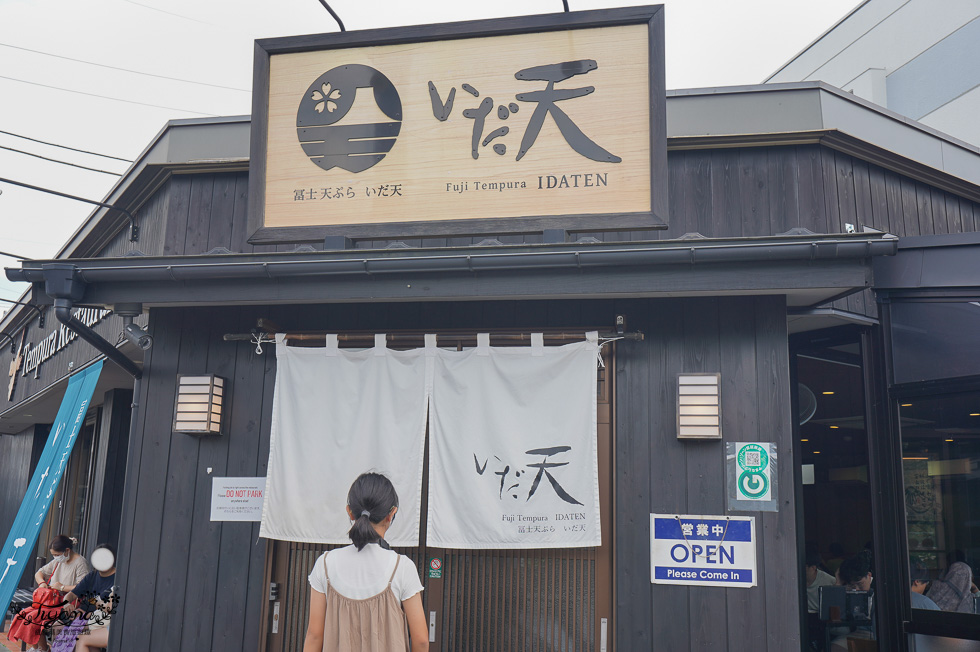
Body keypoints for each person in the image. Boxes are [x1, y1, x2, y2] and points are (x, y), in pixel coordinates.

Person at [303, 472, 428, 652]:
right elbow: (421, 640)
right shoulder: (402, 567)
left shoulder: (325, 564)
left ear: (350, 512)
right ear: (391, 514)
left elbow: (314, 635)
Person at [30, 535, 90, 652]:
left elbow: (83, 587)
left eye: (57, 555)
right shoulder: (58, 561)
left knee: (35, 618)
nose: (55, 557)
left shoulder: (80, 563)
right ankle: (41, 648)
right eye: (53, 555)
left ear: (67, 550)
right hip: (52, 601)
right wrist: (42, 583)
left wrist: (62, 587)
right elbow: (39, 573)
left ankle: (43, 649)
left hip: (68, 605)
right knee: (26, 616)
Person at [61, 543, 117, 652]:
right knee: (59, 627)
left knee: (76, 636)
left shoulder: (118, 578)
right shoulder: (92, 576)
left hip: (103, 621)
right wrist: (66, 603)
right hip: (88, 618)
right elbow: (72, 594)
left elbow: (110, 609)